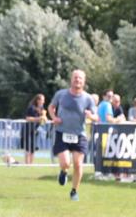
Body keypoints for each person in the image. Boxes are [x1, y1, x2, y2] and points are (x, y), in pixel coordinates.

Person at [48, 69, 97, 201]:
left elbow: (96, 117)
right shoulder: (61, 94)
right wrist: (54, 117)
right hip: (62, 132)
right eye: (75, 77)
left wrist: (90, 116)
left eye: (80, 78)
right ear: (71, 79)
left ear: (84, 81)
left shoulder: (88, 98)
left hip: (79, 134)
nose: (77, 80)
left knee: (78, 163)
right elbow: (51, 107)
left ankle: (74, 191)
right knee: (65, 163)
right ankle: (63, 171)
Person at [23, 93, 46, 165]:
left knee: (33, 148)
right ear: (38, 100)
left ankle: (31, 163)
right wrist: (38, 118)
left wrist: (44, 118)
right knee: (28, 148)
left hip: (35, 130)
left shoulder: (42, 109)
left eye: (43, 100)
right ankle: (27, 164)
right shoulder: (31, 107)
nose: (43, 102)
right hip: (28, 129)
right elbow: (27, 118)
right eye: (42, 100)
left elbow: (42, 122)